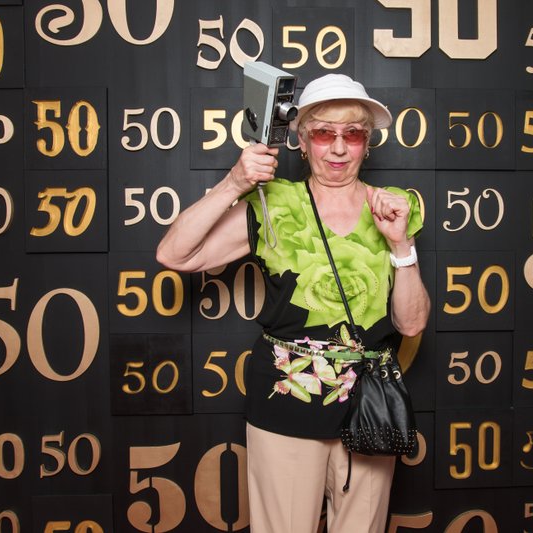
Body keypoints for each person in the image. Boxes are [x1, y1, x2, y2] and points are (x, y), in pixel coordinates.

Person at [156, 73, 430, 533]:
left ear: (367, 144)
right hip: (286, 400)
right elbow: (174, 254)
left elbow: (412, 324)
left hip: (369, 407)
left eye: (353, 134)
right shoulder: (274, 203)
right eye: (323, 133)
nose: (338, 148)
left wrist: (401, 245)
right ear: (301, 142)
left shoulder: (392, 207)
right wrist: (233, 183)